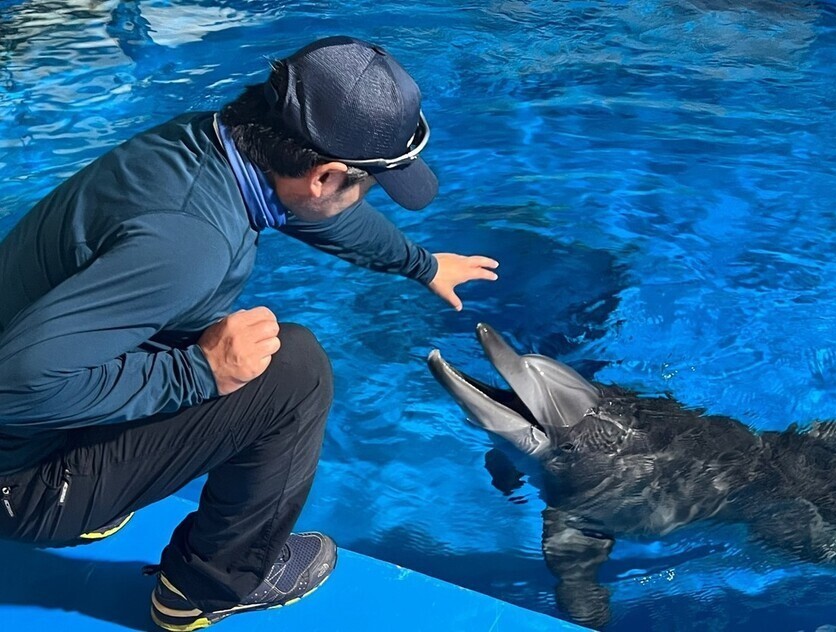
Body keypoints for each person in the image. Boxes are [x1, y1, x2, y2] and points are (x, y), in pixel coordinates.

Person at [0, 35, 498, 630]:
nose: (362, 197)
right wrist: (200, 372)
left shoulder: (206, 144)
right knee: (295, 370)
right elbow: (14, 386)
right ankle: (204, 587)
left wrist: (421, 264)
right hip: (23, 482)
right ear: (325, 174)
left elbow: (309, 212)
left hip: (40, 394)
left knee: (209, 328)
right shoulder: (190, 247)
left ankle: (106, 485)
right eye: (366, 184)